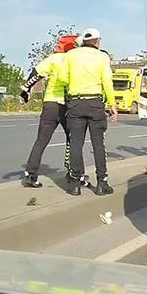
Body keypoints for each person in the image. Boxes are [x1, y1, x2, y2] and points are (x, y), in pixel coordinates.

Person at [58, 28, 118, 196]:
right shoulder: (102, 57)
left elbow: (62, 78)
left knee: (76, 143)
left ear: (83, 41)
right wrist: (112, 104)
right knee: (98, 143)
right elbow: (107, 81)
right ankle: (102, 183)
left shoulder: (71, 55)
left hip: (76, 103)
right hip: (95, 103)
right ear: (98, 41)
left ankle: (76, 184)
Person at [20, 35, 78, 188]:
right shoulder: (72, 60)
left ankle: (30, 175)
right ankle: (72, 172)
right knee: (72, 140)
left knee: (41, 140)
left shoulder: (52, 59)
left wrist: (26, 89)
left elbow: (36, 74)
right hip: (66, 105)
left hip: (50, 104)